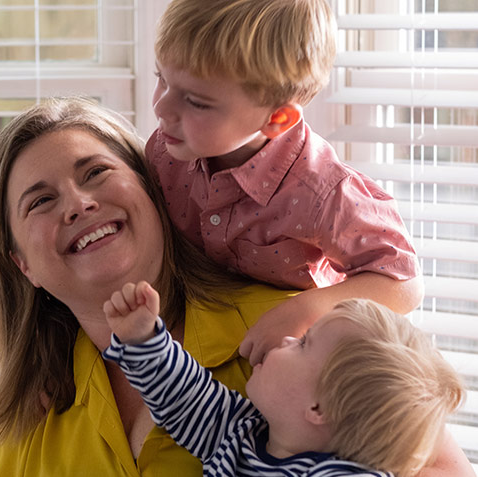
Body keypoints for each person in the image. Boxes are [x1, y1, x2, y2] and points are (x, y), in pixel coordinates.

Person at [0, 96, 478, 477]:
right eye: (40, 201)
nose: (79, 204)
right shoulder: (29, 425)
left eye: (96, 173)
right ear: (23, 265)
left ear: (153, 192)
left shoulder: (289, 333)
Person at [103, 281, 464, 477]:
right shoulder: (241, 433)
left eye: (304, 344)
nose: (289, 338)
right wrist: (144, 340)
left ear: (318, 406)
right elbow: (186, 397)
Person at [148, 0, 424, 365]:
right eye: (161, 79)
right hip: (193, 351)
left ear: (276, 118)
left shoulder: (322, 192)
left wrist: (307, 309)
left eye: (196, 102)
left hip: (281, 364)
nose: (161, 109)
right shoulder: (165, 152)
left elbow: (404, 284)